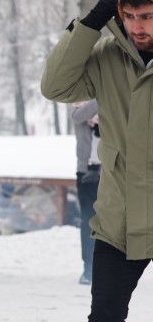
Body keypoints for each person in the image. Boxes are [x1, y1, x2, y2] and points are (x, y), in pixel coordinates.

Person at [41, 0, 153, 322]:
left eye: (146, 16)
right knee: (104, 321)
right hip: (118, 217)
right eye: (130, 16)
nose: (138, 27)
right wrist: (87, 26)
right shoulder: (107, 55)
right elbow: (55, 86)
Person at [71, 100, 100, 285]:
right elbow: (77, 116)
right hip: (87, 170)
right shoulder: (78, 99)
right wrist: (100, 98)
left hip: (113, 170)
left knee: (113, 221)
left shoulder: (113, 101)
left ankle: (111, 267)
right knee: (88, 220)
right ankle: (88, 267)